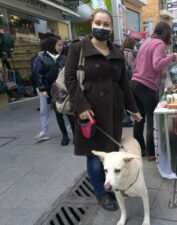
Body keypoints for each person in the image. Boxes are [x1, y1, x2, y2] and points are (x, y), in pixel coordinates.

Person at [64, 9, 142, 211]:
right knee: (95, 157)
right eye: (98, 22)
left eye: (106, 24)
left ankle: (113, 185)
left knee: (112, 154)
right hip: (89, 112)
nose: (102, 27)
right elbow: (70, 79)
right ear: (92, 23)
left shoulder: (117, 51)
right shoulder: (78, 48)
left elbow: (125, 84)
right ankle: (101, 193)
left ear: (111, 27)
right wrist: (81, 107)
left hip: (113, 112)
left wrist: (133, 109)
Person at [131, 21, 177, 161]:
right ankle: (151, 153)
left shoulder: (146, 42)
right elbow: (157, 64)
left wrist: (160, 74)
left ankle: (140, 150)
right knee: (152, 119)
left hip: (135, 82)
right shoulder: (159, 44)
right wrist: (172, 57)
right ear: (166, 33)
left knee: (139, 119)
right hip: (147, 85)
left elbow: (140, 64)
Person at [34, 35, 75, 145]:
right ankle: (65, 136)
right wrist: (43, 89)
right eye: (59, 45)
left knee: (69, 112)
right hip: (52, 91)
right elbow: (38, 75)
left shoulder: (64, 58)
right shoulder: (42, 58)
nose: (61, 47)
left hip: (65, 89)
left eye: (62, 45)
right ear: (52, 45)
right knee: (59, 114)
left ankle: (75, 135)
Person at [121, 36, 136, 127]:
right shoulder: (129, 54)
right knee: (129, 99)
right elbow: (133, 68)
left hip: (121, 78)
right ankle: (128, 120)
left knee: (123, 100)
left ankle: (125, 119)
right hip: (128, 79)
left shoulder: (120, 51)